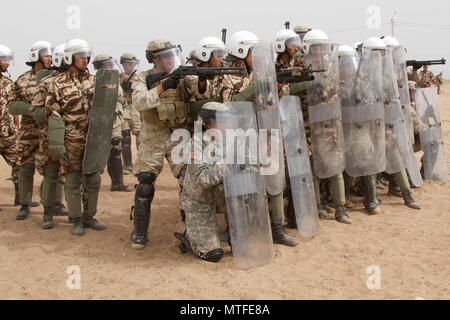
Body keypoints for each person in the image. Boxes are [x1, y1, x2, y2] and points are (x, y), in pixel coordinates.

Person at [130, 38, 191, 250]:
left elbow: (198, 92)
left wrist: (200, 81)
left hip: (177, 134)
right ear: (153, 59)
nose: (170, 59)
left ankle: (190, 230)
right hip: (152, 135)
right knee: (145, 182)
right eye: (165, 56)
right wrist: (163, 86)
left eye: (171, 54)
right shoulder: (142, 77)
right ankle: (139, 232)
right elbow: (139, 102)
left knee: (187, 181)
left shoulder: (181, 75)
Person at [46, 38, 107, 236]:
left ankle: (89, 216)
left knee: (94, 178)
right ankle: (75, 218)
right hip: (71, 138)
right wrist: (56, 142)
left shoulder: (94, 80)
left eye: (86, 56)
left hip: (93, 138)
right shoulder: (57, 83)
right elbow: (52, 113)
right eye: (80, 56)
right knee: (72, 180)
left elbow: (105, 106)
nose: (84, 60)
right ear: (69, 57)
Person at [363, 37, 420, 210]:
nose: (380, 57)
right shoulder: (361, 75)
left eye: (382, 54)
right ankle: (370, 199)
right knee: (370, 160)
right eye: (377, 54)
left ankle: (406, 193)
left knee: (395, 155)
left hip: (384, 123)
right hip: (366, 125)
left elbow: (390, 96)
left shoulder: (386, 76)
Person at [302, 30, 351, 224]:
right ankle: (316, 206)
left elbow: (334, 91)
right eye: (316, 47)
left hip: (329, 122)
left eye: (322, 47)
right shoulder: (301, 66)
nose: (319, 51)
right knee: (313, 165)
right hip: (308, 123)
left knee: (334, 164)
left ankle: (340, 207)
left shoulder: (331, 65)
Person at [176, 102, 228, 263]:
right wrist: (228, 163)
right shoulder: (196, 144)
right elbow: (204, 179)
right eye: (223, 120)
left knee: (246, 246)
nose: (228, 124)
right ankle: (189, 237)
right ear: (208, 123)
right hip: (199, 202)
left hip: (223, 198)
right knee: (213, 254)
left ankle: (232, 232)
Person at [8, 41, 53, 220]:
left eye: (50, 54)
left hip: (48, 131)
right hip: (28, 132)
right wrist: (34, 111)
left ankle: (53, 204)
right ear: (36, 57)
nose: (50, 58)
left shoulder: (54, 78)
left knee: (52, 170)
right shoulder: (22, 80)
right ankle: (24, 204)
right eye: (46, 54)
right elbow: (12, 106)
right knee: (25, 168)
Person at [30, 43, 69, 229]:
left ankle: (73, 212)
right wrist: (52, 113)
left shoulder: (79, 82)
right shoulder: (46, 83)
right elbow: (35, 111)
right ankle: (47, 212)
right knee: (51, 174)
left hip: (74, 137)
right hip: (51, 137)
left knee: (69, 176)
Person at [93, 54, 131, 192]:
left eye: (111, 64)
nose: (111, 67)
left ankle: (117, 183)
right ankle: (90, 182)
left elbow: (122, 101)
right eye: (107, 65)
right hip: (100, 122)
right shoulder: (95, 81)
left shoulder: (115, 81)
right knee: (96, 151)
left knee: (116, 149)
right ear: (100, 67)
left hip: (115, 121)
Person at [0, 45, 20, 206]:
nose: (7, 63)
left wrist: (17, 125)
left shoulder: (8, 83)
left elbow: (13, 106)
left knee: (18, 163)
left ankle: (21, 197)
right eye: (4, 59)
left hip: (8, 132)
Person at [119, 53, 141, 173]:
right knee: (125, 137)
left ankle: (141, 163)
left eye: (133, 64)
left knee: (140, 137)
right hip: (125, 107)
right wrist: (123, 87)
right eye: (129, 64)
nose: (131, 66)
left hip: (136, 109)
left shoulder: (139, 77)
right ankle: (127, 164)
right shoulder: (119, 77)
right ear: (124, 64)